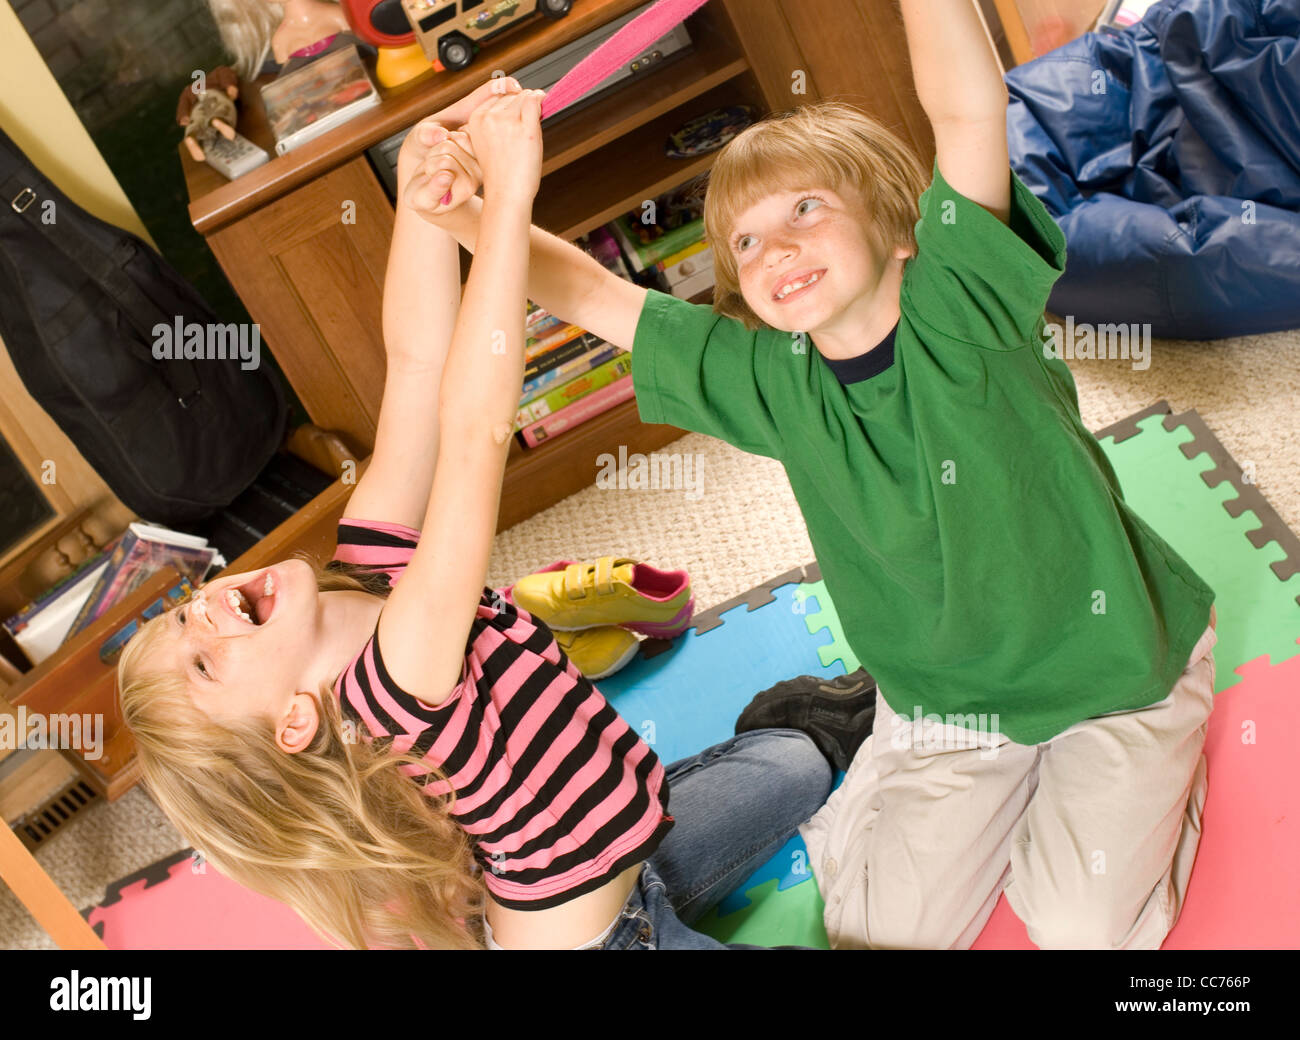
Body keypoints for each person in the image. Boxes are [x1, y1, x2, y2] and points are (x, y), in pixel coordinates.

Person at [409, 0, 1218, 950]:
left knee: (1083, 928)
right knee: (873, 930)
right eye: (746, 242)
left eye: (805, 210)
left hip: (1112, 667)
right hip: (947, 701)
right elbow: (592, 291)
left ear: (903, 231)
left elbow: (964, 112)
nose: (776, 248)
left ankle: (1168, 734)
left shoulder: (965, 300)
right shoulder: (769, 379)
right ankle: (870, 739)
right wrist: (472, 211)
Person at [117, 78, 836, 950]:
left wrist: (424, 202)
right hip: (611, 935)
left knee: (802, 755)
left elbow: (417, 369)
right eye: (203, 663)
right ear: (296, 720)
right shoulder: (397, 679)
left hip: (636, 842)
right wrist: (506, 202)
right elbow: (476, 432)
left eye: (181, 613)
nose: (203, 611)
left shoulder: (368, 565)